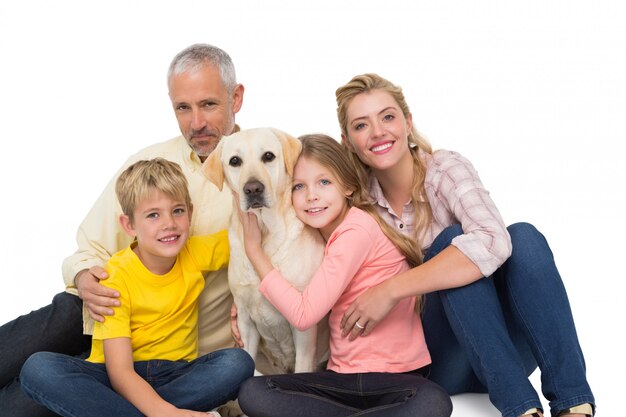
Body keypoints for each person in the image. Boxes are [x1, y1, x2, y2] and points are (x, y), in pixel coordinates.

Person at [0, 43, 245, 417]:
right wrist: (84, 277)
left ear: (236, 98)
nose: (196, 122)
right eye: (183, 107)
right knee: (63, 321)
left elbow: (267, 249)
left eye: (208, 104)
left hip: (175, 360)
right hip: (105, 328)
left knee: (31, 402)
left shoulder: (260, 171)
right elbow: (90, 248)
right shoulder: (149, 164)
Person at [333, 74, 595, 417]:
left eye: (388, 117)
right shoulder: (355, 202)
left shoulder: (444, 169)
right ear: (347, 141)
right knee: (452, 243)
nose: (378, 132)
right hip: (439, 359)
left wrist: (391, 289)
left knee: (523, 237)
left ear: (408, 123)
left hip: (506, 347)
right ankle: (520, 407)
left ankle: (574, 403)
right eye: (361, 125)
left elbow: (494, 241)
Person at [236, 134, 453, 417]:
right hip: (341, 379)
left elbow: (303, 314)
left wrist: (254, 251)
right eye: (299, 186)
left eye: (324, 182)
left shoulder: (356, 230)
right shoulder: (316, 238)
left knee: (432, 402)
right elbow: (297, 287)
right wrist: (247, 298)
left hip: (395, 379)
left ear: (348, 187)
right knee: (252, 392)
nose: (312, 195)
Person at [20, 158, 254, 417]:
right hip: (115, 376)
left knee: (237, 362)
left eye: (177, 211)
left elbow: (247, 238)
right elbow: (120, 373)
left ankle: (124, 412)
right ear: (129, 225)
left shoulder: (196, 253)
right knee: (38, 368)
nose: (169, 223)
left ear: (190, 211)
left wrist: (245, 291)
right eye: (153, 215)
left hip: (175, 374)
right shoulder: (116, 276)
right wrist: (168, 413)